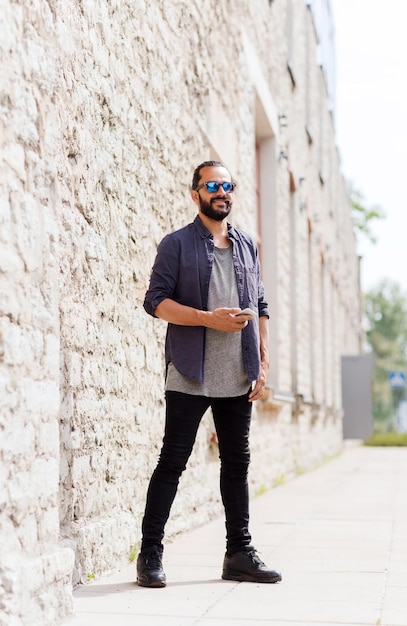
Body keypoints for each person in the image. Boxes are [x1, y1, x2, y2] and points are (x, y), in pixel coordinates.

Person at [137, 160, 282, 587]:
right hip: (190, 371)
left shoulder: (247, 244)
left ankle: (239, 552)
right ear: (195, 193)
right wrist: (206, 319)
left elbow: (260, 303)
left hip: (238, 373)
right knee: (173, 462)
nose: (222, 191)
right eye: (212, 185)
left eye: (228, 185)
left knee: (237, 463)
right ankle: (150, 554)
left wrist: (264, 358)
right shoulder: (176, 244)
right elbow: (155, 301)